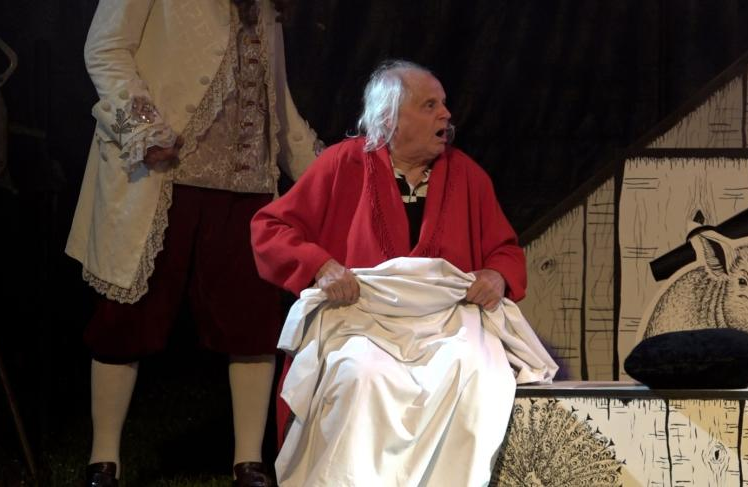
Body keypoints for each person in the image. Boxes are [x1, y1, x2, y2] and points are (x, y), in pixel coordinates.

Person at [251, 60, 557, 486]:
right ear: (389, 119)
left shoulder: (467, 175)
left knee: (477, 375)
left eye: (444, 104)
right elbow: (270, 228)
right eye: (429, 105)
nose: (446, 114)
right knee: (362, 375)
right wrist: (320, 266)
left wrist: (496, 275)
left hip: (447, 326)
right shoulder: (343, 164)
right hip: (360, 321)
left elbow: (504, 250)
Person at [65, 1, 320, 485]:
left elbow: (275, 96)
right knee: (127, 318)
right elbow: (105, 47)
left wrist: (323, 174)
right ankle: (104, 460)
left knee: (252, 321)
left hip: (247, 182)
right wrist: (143, 127)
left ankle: (249, 462)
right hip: (163, 174)